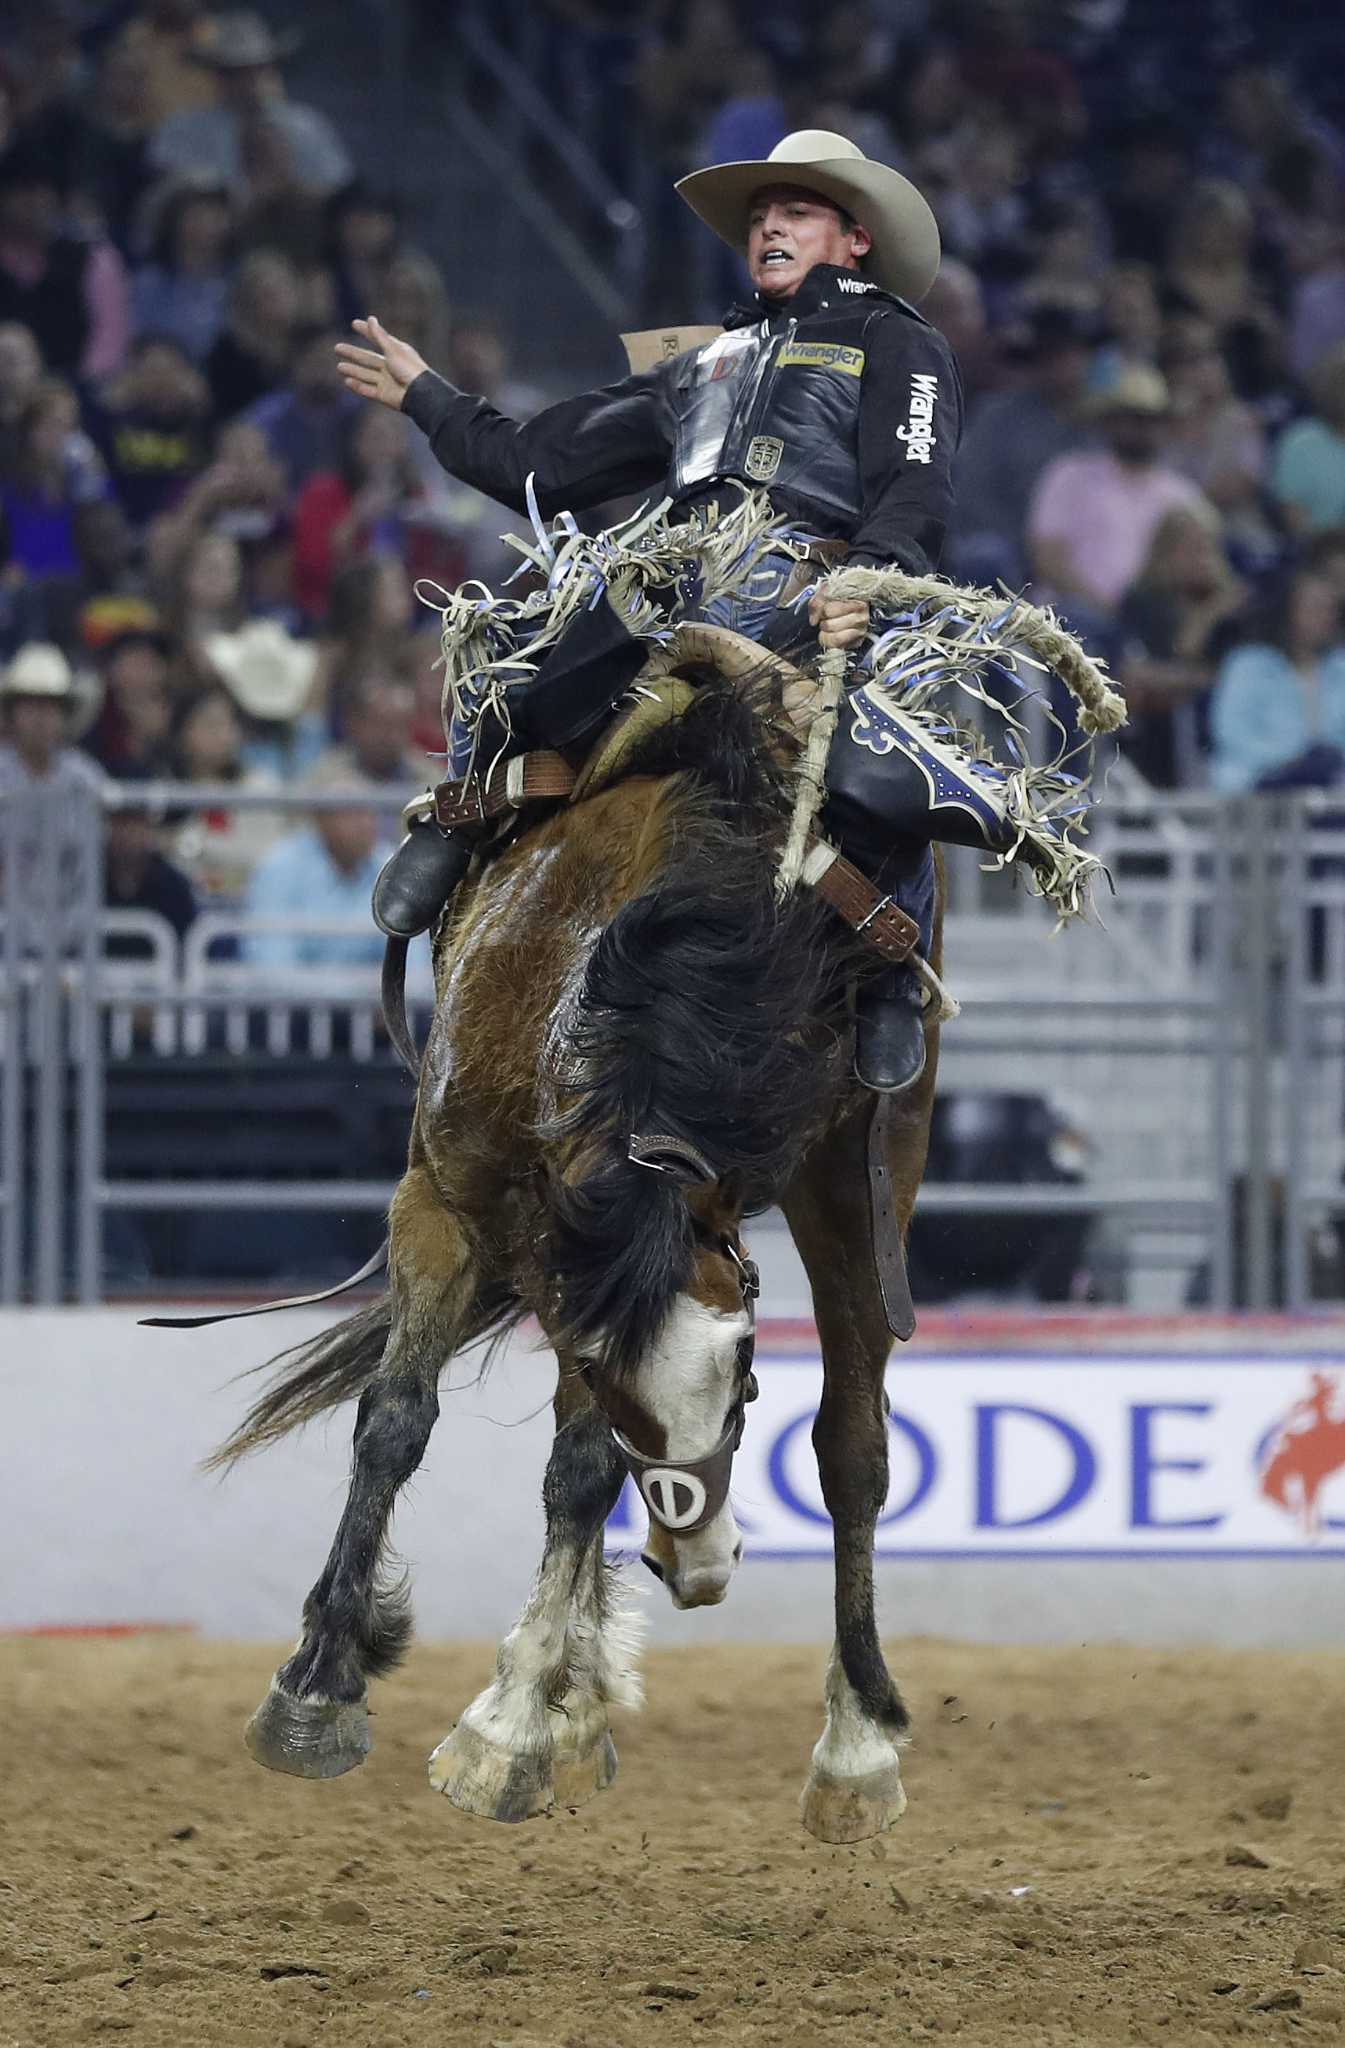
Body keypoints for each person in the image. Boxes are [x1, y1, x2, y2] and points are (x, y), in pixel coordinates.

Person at [337, 128, 965, 1092]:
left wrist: (864, 586)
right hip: (669, 583)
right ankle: (464, 821)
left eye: (793, 210)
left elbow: (913, 489)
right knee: (516, 669)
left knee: (873, 756)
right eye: (759, 215)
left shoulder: (898, 341)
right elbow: (534, 463)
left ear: (854, 238)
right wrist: (427, 396)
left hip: (814, 589)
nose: (768, 226)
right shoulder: (699, 363)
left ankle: (889, 965)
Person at [1027, 365, 1210, 628]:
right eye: (1130, 417)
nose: (1140, 427)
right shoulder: (1069, 475)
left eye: (1149, 419)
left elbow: (1203, 566)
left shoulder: (1182, 494)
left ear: (1163, 425)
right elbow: (1047, 559)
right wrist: (1103, 608)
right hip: (1071, 618)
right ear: (1110, 421)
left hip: (1152, 626)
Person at [148, 11, 353, 201]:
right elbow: (169, 192)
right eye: (236, 73)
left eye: (258, 70)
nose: (249, 82)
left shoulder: (305, 127)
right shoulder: (185, 131)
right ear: (219, 76)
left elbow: (337, 187)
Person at [1209, 565, 1345, 792]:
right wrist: (1292, 760)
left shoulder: (1340, 667)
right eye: (1315, 609)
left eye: (1331, 610)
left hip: (1332, 787)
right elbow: (1231, 734)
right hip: (1259, 781)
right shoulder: (1247, 665)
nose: (1326, 617)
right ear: (1288, 612)